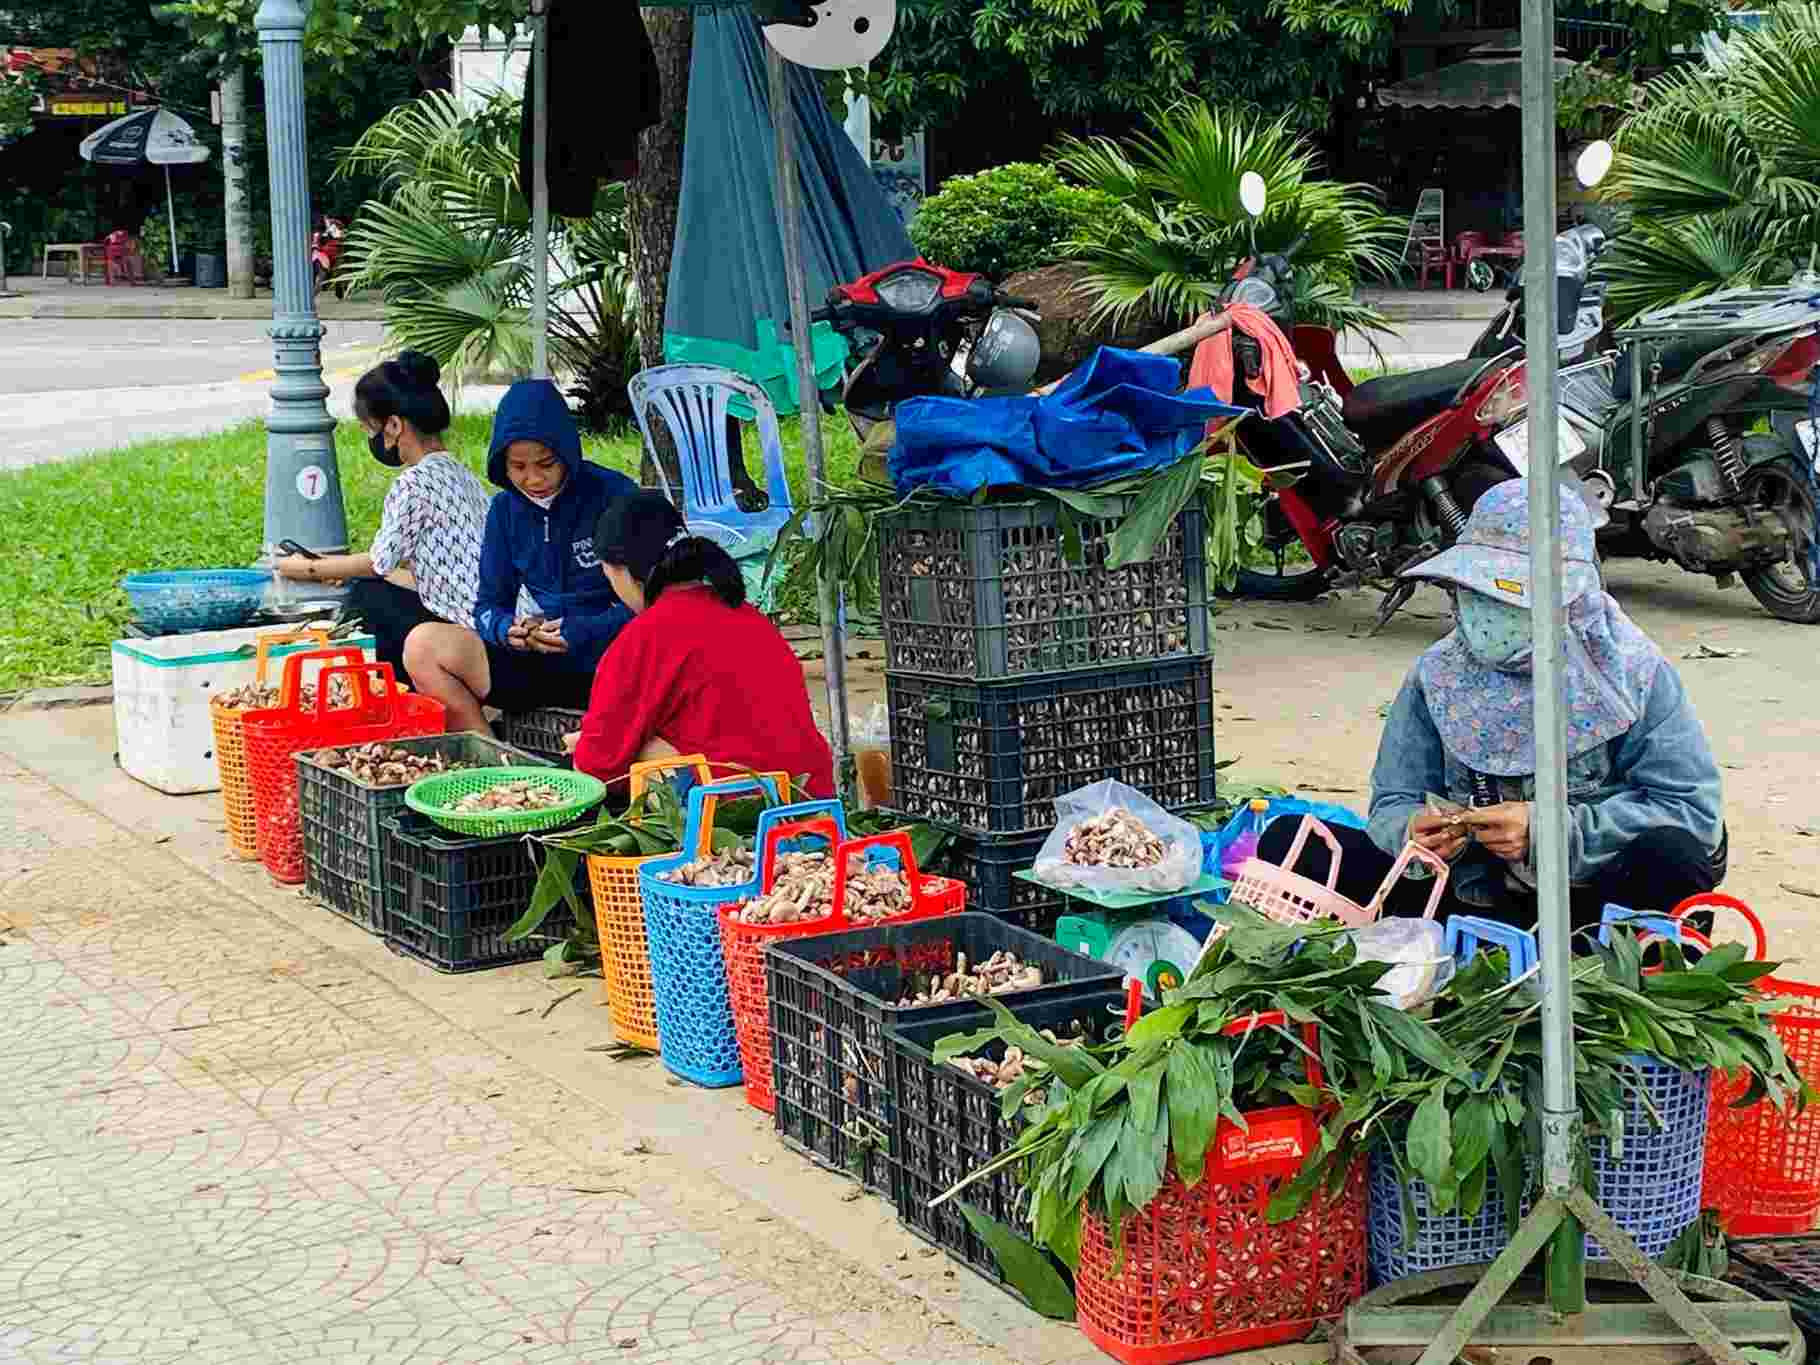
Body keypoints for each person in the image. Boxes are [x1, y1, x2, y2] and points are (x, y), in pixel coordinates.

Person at [1257, 479, 1726, 933]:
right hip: (1467, 894)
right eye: (1476, 592)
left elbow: (1690, 811)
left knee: (1675, 857)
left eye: (1509, 593)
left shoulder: (1632, 673)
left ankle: (1592, 973)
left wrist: (1548, 832)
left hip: (1592, 906)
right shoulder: (1436, 675)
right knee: (1289, 841)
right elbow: (1394, 800)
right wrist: (1414, 833)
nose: (1487, 609)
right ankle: (1456, 955)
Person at [402, 378, 637, 734]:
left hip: (613, 660)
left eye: (545, 464)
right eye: (518, 467)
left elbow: (652, 602)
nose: (533, 479)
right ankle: (497, 770)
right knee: (423, 646)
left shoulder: (614, 494)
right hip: (541, 655)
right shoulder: (504, 510)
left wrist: (584, 630)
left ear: (568, 455)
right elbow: (488, 605)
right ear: (502, 464)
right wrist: (507, 630)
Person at [568, 491, 835, 798]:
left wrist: (589, 744)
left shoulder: (644, 637)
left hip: (741, 811)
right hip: (811, 796)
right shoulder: (749, 616)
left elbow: (594, 769)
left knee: (647, 755)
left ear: (623, 571)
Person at [274, 352, 490, 677]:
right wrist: (341, 568)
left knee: (369, 596)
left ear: (393, 425)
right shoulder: (460, 473)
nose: (373, 441)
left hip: (467, 626)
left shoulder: (413, 483)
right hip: (489, 614)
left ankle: (397, 693)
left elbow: (378, 564)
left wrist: (307, 568)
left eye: (370, 430)